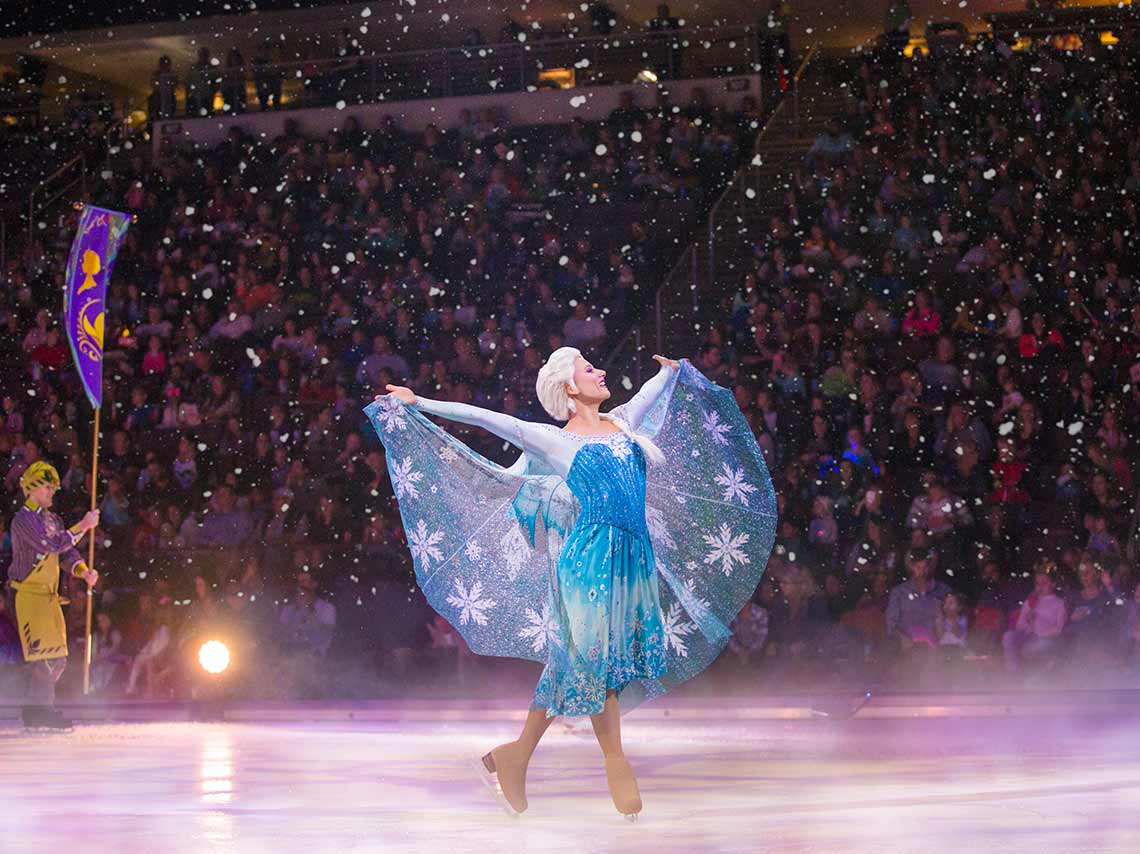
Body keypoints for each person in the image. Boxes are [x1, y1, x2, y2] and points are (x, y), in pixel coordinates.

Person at [367, 350, 775, 819]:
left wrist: (669, 373)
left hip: (632, 558)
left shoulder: (622, 424)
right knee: (594, 658)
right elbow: (487, 419)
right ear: (569, 387)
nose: (601, 372)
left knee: (594, 660)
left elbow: (649, 393)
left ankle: (515, 757)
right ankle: (614, 761)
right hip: (590, 559)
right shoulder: (553, 440)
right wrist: (421, 401)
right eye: (588, 369)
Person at [5, 461, 99, 728]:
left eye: (53, 488)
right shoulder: (23, 519)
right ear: (32, 488)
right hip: (27, 596)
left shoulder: (53, 519)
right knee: (46, 656)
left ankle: (39, 707)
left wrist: (83, 571)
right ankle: (38, 708)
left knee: (56, 656)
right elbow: (52, 544)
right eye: (47, 487)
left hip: (48, 595)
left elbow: (67, 553)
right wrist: (83, 525)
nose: (52, 492)